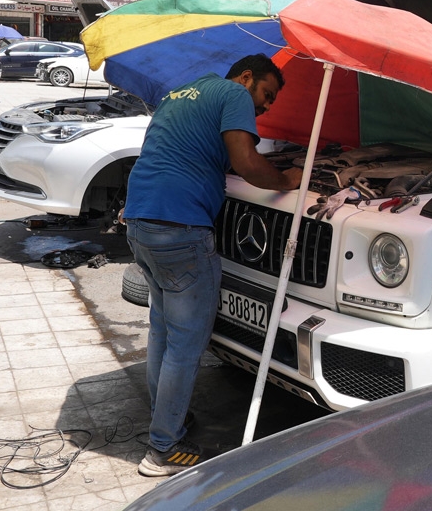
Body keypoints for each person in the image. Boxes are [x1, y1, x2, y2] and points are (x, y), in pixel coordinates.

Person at [123, 54, 303, 477]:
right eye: (266, 94)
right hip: (181, 229)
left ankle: (168, 416)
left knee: (163, 331)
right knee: (186, 344)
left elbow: (189, 151)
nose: (265, 106)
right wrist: (288, 180)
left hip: (141, 220)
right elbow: (245, 162)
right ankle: (164, 448)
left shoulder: (182, 93)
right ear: (246, 77)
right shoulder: (233, 94)